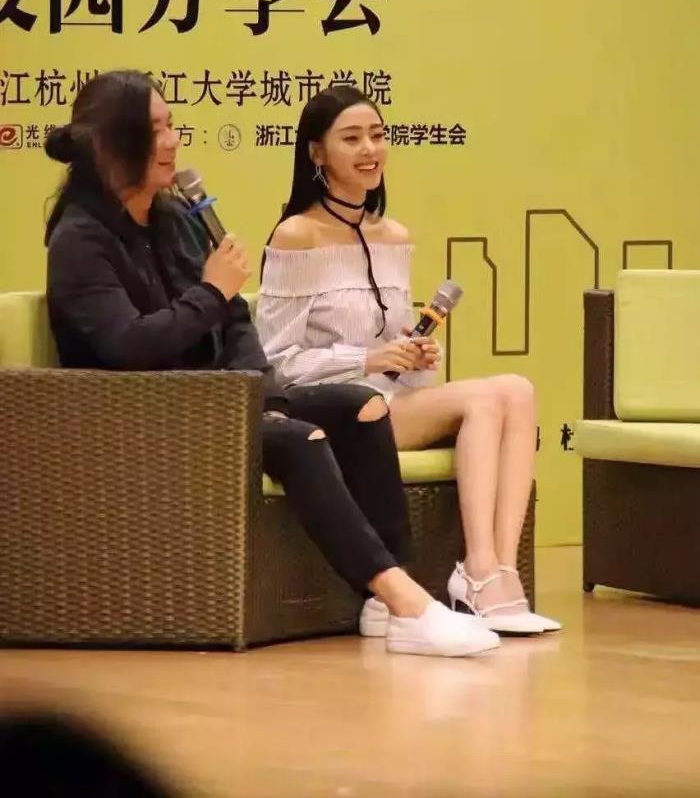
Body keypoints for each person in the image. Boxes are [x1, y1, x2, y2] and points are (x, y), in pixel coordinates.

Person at [43, 70, 497, 660]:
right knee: (297, 439)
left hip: (221, 399)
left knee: (360, 406)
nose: (173, 141)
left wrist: (264, 394)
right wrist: (211, 293)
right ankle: (407, 601)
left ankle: (387, 604)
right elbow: (128, 346)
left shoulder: (177, 218)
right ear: (114, 142)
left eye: (172, 124)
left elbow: (235, 321)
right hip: (144, 415)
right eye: (155, 130)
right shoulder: (80, 239)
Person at [256, 86, 561, 637]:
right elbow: (277, 362)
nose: (370, 149)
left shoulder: (395, 236)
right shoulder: (297, 235)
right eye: (352, 138)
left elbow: (402, 364)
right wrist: (368, 358)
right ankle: (478, 570)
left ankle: (500, 570)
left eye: (377, 135)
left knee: (517, 388)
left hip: (394, 399)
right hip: (337, 411)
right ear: (317, 152)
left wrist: (416, 357)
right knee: (484, 397)